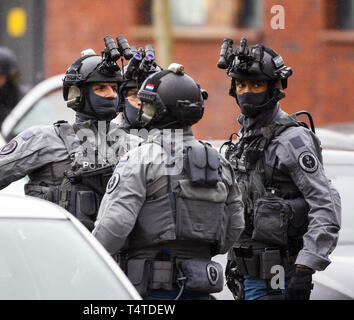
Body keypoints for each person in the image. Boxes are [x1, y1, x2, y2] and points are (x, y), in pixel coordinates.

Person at [92, 64, 245, 300]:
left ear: (161, 110)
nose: (143, 110)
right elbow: (234, 226)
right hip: (200, 284)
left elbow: (114, 226)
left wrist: (87, 263)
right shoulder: (219, 162)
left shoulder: (141, 158)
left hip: (150, 289)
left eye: (149, 105)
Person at [0, 46, 141, 231]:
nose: (111, 95)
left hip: (109, 260)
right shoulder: (45, 139)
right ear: (77, 94)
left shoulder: (133, 144)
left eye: (115, 88)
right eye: (100, 88)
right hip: (50, 252)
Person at [217, 38, 342, 300]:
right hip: (245, 275)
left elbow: (326, 204)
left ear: (273, 88)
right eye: (241, 84)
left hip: (278, 278)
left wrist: (306, 266)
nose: (247, 92)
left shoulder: (293, 141)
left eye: (256, 84)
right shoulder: (244, 138)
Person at [116, 44, 161, 132]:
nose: (141, 102)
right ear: (121, 101)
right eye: (134, 95)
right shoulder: (108, 142)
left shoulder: (175, 142)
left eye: (148, 95)